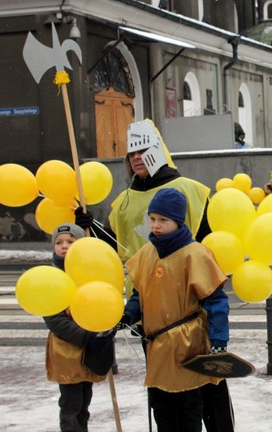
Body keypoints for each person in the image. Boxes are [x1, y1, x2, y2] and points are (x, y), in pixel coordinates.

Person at [75, 119, 234, 431]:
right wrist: (87, 225)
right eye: (131, 152)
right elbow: (112, 249)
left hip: (191, 311)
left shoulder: (190, 191)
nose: (136, 157)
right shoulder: (122, 204)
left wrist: (214, 320)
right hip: (150, 313)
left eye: (143, 149)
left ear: (158, 150)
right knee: (165, 392)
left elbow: (207, 242)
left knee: (207, 387)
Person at [122, 188, 230, 432]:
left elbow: (216, 302)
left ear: (178, 221)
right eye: (152, 219)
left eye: (163, 220)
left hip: (187, 343)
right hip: (156, 345)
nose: (156, 225)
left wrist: (219, 340)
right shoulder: (147, 253)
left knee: (187, 406)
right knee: (161, 405)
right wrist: (129, 314)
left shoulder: (195, 254)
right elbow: (141, 294)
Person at [44, 223, 114, 432]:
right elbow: (55, 319)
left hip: (87, 351)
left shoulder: (88, 274)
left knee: (84, 402)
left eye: (70, 242)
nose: (64, 246)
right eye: (59, 242)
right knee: (70, 405)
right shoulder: (52, 277)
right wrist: (86, 336)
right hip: (66, 351)